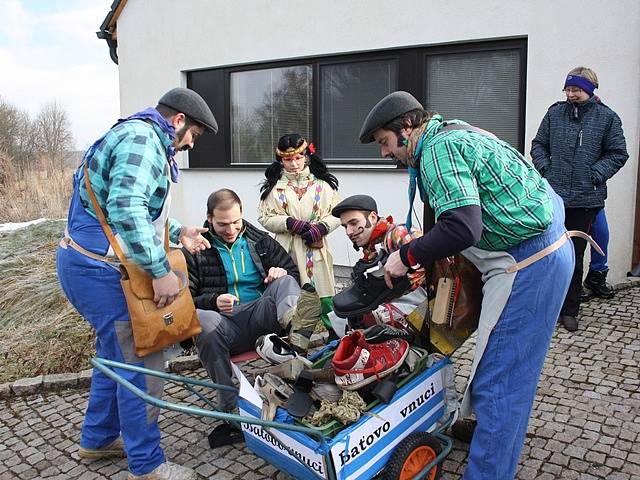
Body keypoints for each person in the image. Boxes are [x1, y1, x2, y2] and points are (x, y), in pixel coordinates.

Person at [358, 90, 574, 480]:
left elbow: (463, 226)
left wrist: (406, 257)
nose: (384, 153)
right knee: (499, 373)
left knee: (499, 382)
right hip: (536, 249)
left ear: (406, 127)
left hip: (530, 264)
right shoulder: (452, 134)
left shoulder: (439, 149)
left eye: (384, 143)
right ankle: (486, 437)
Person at [56, 87, 217, 480]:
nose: (189, 143)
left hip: (85, 262)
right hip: (101, 271)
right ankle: (147, 466)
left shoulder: (132, 133)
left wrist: (178, 232)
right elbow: (127, 210)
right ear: (178, 121)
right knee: (141, 364)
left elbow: (126, 207)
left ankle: (97, 439)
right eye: (192, 135)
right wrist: (161, 270)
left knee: (114, 357)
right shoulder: (146, 140)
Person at [183, 189, 321, 444]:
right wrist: (213, 301)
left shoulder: (261, 240)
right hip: (224, 325)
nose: (231, 229)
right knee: (201, 319)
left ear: (242, 215)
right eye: (223, 224)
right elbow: (186, 301)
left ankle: (293, 345)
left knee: (287, 281)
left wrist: (279, 272)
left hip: (262, 318)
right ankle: (229, 404)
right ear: (209, 218)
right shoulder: (196, 250)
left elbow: (293, 274)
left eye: (236, 222)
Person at [531, 66, 628, 331]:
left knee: (573, 255)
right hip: (554, 196)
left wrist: (595, 174)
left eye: (577, 90)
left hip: (586, 200)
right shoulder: (554, 113)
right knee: (548, 253)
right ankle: (548, 307)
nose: (571, 94)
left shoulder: (607, 118)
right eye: (568, 89)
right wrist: (546, 170)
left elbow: (618, 153)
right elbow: (538, 144)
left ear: (590, 90)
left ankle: (570, 309)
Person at [258, 133, 341, 340]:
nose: (293, 163)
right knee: (293, 295)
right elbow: (264, 217)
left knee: (324, 294)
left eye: (297, 158)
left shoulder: (323, 186)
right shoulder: (275, 189)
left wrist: (322, 227)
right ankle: (295, 342)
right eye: (287, 159)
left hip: (316, 248)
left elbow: (338, 214)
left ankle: (337, 337)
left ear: (306, 156)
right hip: (287, 249)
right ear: (280, 160)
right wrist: (288, 223)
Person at [329, 194, 427, 332]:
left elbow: (431, 263)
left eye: (354, 223)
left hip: (426, 305)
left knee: (368, 318)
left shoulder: (399, 234)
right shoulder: (373, 245)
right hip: (407, 300)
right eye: (345, 226)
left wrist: (389, 294)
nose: (349, 232)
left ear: (373, 217)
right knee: (339, 317)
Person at [583, 209, 615, 300]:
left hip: (595, 200)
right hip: (571, 202)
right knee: (577, 241)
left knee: (602, 234)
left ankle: (595, 278)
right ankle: (574, 285)